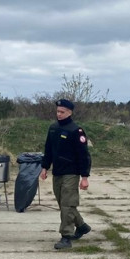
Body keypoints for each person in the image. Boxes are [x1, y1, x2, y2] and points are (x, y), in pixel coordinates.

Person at [40, 99, 92, 250]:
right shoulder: (53, 128)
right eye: (58, 111)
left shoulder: (76, 130)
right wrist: (44, 167)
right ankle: (81, 226)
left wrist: (84, 177)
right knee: (64, 204)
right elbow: (48, 149)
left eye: (62, 112)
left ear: (70, 112)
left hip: (71, 172)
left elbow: (84, 155)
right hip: (58, 172)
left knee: (67, 204)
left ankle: (66, 236)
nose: (59, 114)